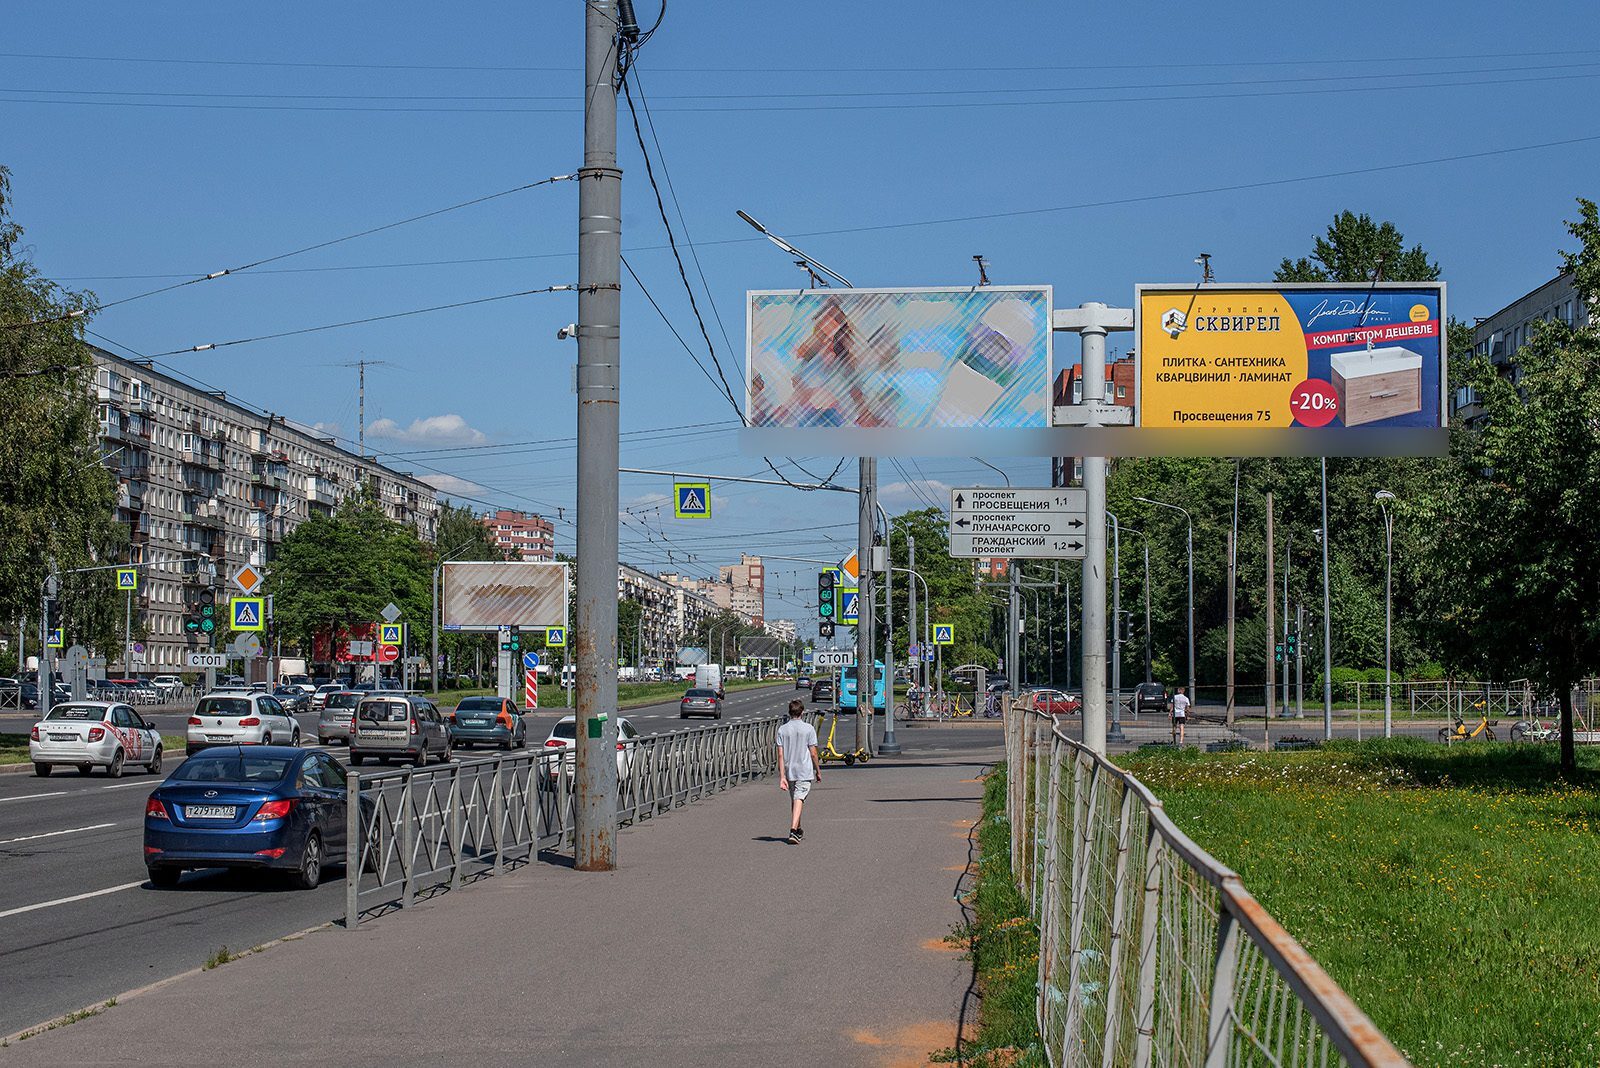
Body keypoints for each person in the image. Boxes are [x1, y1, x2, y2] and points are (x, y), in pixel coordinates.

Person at [776, 699, 820, 844]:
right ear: (802, 712)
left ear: (789, 712)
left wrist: (782, 776)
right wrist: (818, 770)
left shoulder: (782, 730)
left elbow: (780, 755)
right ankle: (793, 830)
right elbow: (813, 753)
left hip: (790, 770)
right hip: (804, 770)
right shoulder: (809, 729)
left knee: (795, 799)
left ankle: (798, 829)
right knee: (799, 798)